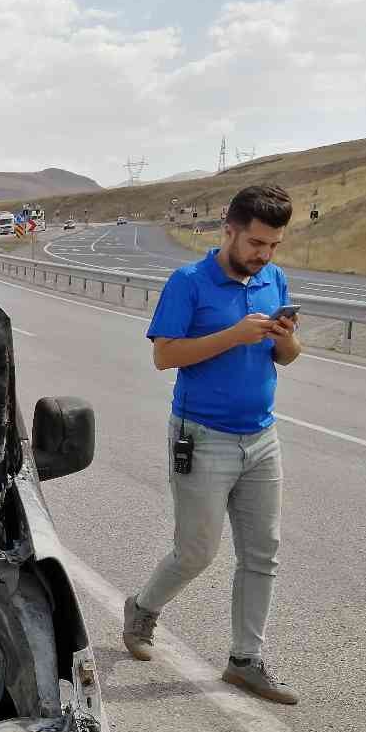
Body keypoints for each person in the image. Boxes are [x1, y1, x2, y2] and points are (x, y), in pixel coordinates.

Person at [122, 184, 301, 704]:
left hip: (262, 437)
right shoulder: (189, 282)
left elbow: (286, 357)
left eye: (273, 245)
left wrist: (284, 337)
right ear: (229, 230)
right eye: (255, 244)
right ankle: (143, 608)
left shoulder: (274, 278)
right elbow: (165, 356)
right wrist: (235, 335)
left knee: (262, 552)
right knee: (197, 552)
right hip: (201, 437)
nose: (264, 255)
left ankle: (245, 660)